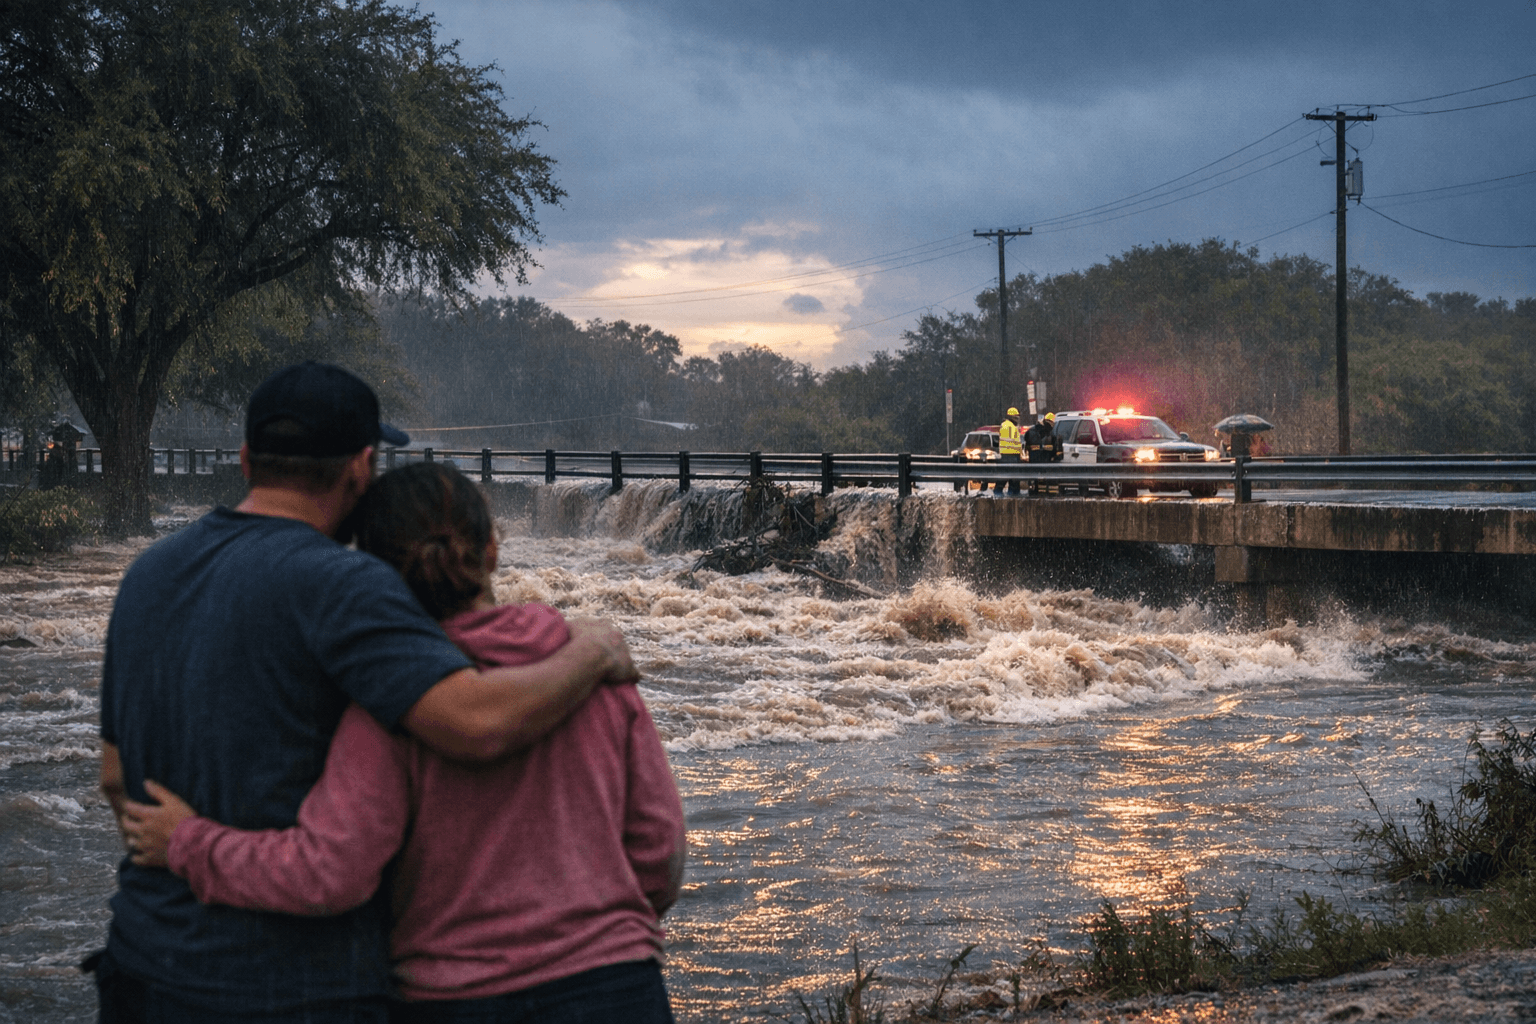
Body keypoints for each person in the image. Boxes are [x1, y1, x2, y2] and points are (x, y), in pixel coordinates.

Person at [96, 362, 637, 1024]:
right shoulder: (343, 585)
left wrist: (185, 840)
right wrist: (591, 651)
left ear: (245, 459)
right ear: (360, 468)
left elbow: (116, 776)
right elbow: (475, 722)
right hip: (293, 985)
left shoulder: (148, 573)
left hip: (143, 965)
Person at [1024, 412, 1061, 495]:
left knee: (1034, 482)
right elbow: (1052, 449)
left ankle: (1034, 494)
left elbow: (1027, 445)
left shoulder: (1031, 431)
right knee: (1042, 483)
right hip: (1043, 461)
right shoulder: (1048, 433)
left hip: (1033, 461)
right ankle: (1041, 496)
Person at [993, 407, 1022, 495]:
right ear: (1013, 417)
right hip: (1010, 454)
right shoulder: (1009, 426)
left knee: (1007, 475)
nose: (1017, 419)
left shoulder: (1007, 425)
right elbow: (1012, 441)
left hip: (1009, 454)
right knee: (1011, 476)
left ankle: (1003, 492)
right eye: (1016, 417)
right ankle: (1008, 493)